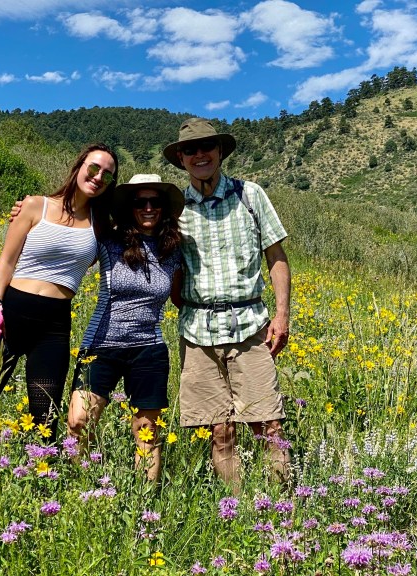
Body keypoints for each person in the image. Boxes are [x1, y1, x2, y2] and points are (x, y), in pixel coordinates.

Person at [163, 118, 292, 492]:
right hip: (197, 333)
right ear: (181, 159)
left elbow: (276, 257)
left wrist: (282, 315)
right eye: (190, 149)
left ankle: (283, 507)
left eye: (207, 146)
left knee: (268, 424)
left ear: (220, 151)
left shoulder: (250, 195)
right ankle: (238, 507)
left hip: (250, 327)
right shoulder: (175, 208)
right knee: (219, 431)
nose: (199, 155)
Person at [0, 144, 119, 439]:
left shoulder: (101, 226)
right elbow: (7, 260)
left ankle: (41, 466)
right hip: (12, 312)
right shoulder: (34, 206)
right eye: (94, 168)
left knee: (45, 415)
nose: (98, 177)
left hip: (55, 325)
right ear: (79, 166)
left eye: (107, 175)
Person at [67, 174, 184, 481]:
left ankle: (143, 503)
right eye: (140, 202)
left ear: (164, 208)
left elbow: (180, 297)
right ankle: (85, 488)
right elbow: (72, 239)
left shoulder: (173, 250)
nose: (148, 208)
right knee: (78, 422)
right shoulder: (109, 241)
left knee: (147, 433)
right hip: (101, 345)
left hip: (149, 349)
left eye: (155, 202)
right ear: (129, 207)